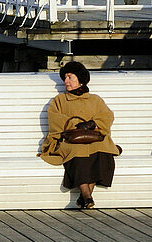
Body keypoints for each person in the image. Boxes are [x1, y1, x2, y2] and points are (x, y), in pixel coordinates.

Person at [39, 61, 121, 209]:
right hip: (70, 139)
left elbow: (107, 116)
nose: (66, 81)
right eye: (65, 78)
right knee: (77, 152)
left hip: (94, 138)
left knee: (103, 151)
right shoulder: (60, 100)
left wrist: (92, 124)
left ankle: (84, 197)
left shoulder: (95, 99)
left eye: (70, 77)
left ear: (80, 79)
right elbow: (55, 120)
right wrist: (76, 125)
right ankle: (88, 196)